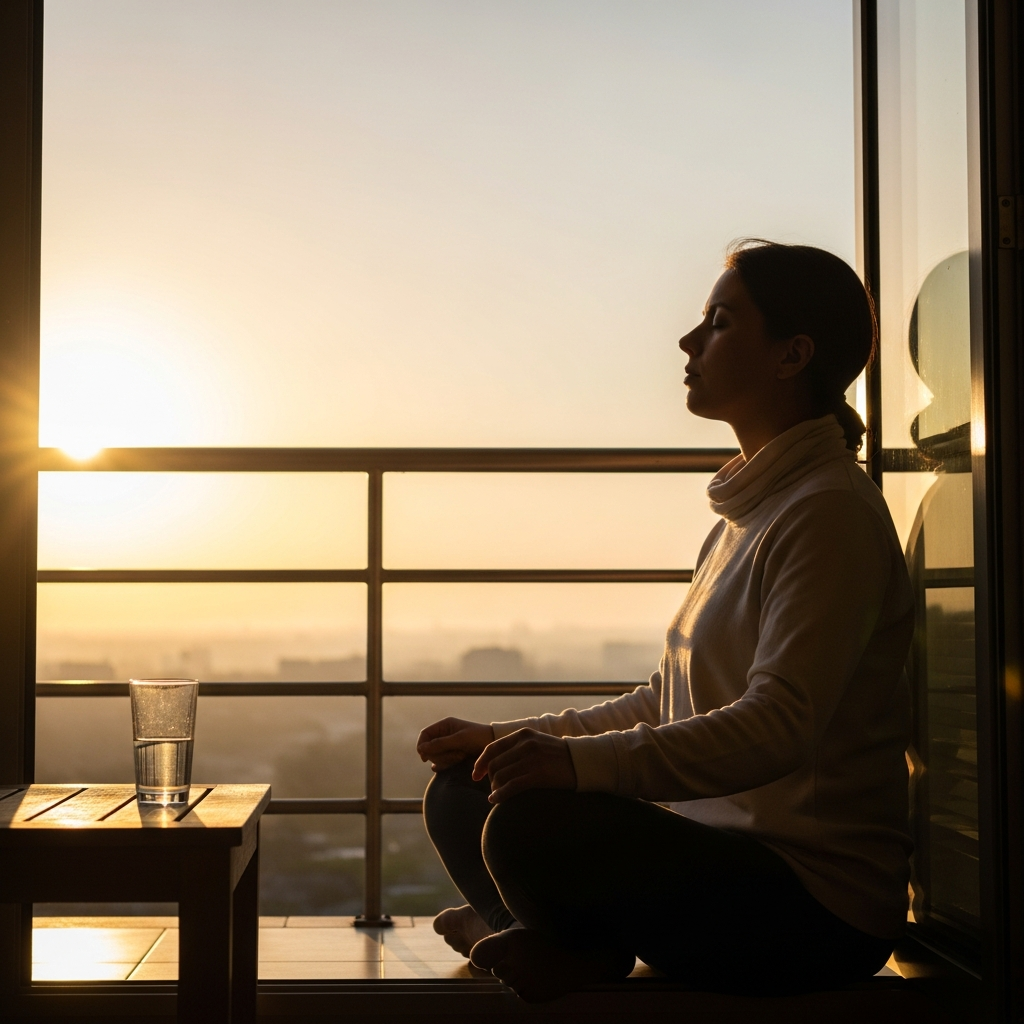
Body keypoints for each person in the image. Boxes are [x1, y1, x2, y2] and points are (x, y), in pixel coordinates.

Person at [415, 240, 914, 1003]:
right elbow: (665, 701)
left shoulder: (829, 514)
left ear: (792, 355)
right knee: (464, 787)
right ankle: (546, 943)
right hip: (718, 860)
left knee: (526, 825)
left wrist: (575, 767)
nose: (689, 341)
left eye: (718, 322)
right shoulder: (748, 515)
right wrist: (519, 739)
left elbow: (780, 725)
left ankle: (542, 942)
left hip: (811, 905)